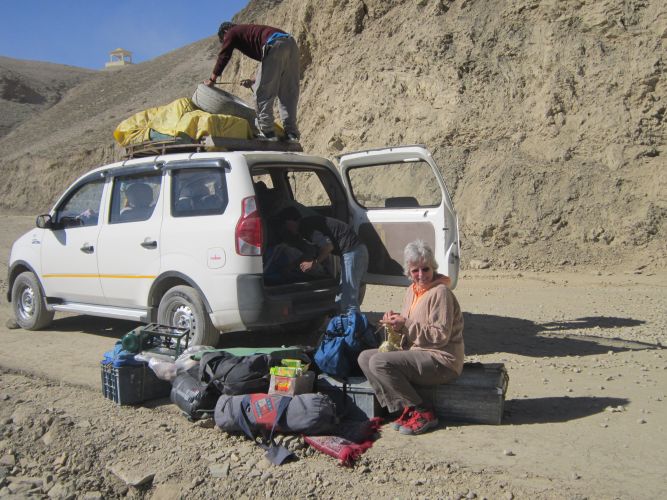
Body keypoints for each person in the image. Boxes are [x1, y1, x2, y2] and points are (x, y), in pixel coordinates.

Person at [357, 240, 464, 435]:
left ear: (433, 267)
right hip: (417, 352)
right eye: (416, 270)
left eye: (426, 269)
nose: (421, 275)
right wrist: (395, 324)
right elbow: (408, 332)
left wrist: (405, 324)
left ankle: (423, 411)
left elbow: (439, 336)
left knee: (379, 362)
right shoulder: (411, 291)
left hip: (442, 359)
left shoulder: (441, 293)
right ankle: (402, 408)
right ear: (409, 271)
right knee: (365, 357)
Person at [204, 22, 300, 142]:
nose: (227, 42)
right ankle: (292, 134)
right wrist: (254, 81)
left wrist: (212, 80)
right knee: (288, 93)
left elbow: (224, 55)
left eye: (224, 40)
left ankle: (268, 132)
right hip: (291, 45)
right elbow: (271, 66)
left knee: (262, 93)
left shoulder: (231, 32)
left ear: (225, 32)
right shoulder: (249, 31)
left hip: (275, 45)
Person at [278, 207, 368, 314]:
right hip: (352, 251)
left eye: (286, 224)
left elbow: (328, 246)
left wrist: (314, 263)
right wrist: (293, 265)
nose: (287, 229)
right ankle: (343, 320)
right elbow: (312, 252)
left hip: (353, 251)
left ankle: (353, 322)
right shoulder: (306, 228)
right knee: (342, 295)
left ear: (291, 221)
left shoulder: (306, 226)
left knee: (348, 296)